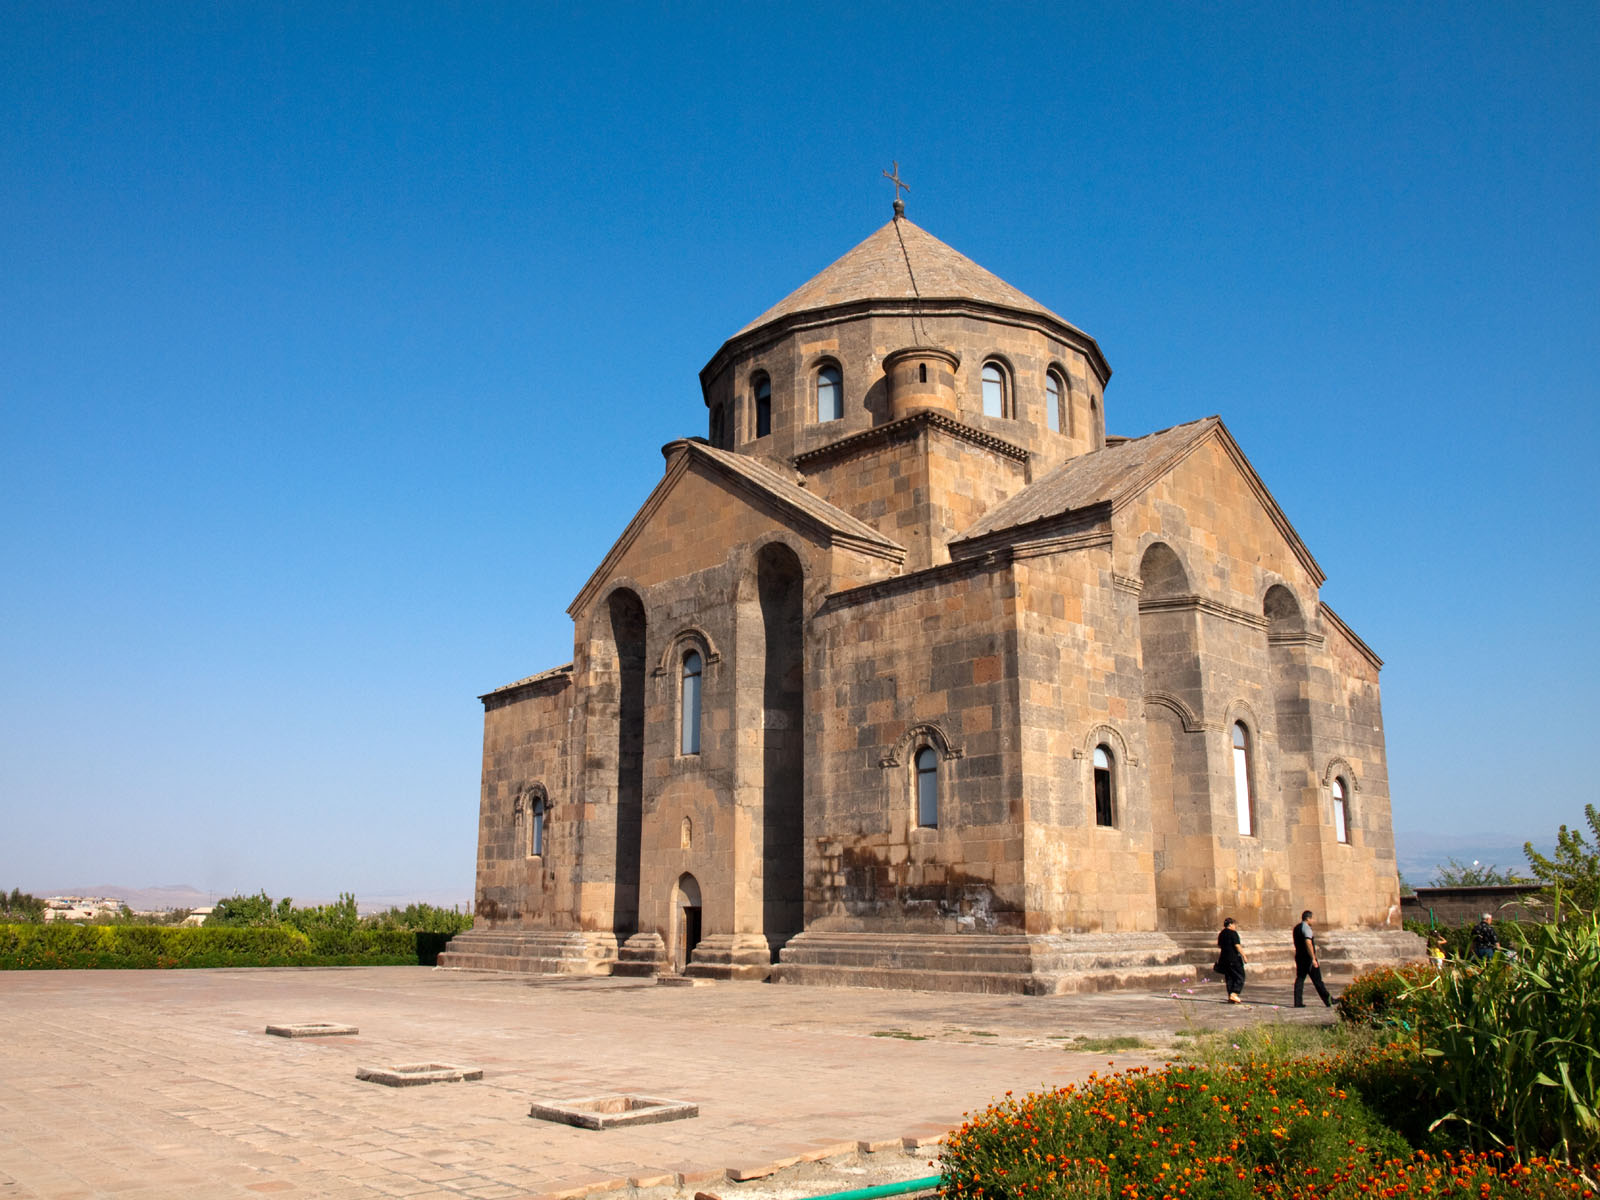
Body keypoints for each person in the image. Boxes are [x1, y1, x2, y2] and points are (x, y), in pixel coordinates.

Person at [1292, 909, 1333, 1008]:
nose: (1313, 921)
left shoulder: (1296, 928)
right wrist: (1313, 958)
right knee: (1318, 980)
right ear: (1308, 919)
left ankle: (1298, 1002)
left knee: (1300, 979)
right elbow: (1308, 943)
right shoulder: (1306, 928)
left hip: (1299, 957)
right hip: (1308, 959)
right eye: (1312, 919)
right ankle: (1328, 1000)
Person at [1216, 917, 1246, 1002]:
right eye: (1234, 924)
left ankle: (1230, 996)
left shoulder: (1221, 933)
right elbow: (1237, 945)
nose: (1235, 926)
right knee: (1240, 975)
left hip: (1224, 958)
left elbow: (1219, 945)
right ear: (1230, 924)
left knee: (1229, 977)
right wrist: (1244, 955)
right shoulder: (1233, 933)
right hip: (1233, 958)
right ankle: (1234, 993)